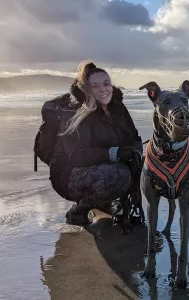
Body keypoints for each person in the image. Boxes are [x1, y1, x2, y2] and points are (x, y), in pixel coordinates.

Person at [49, 60, 143, 225]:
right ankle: (80, 210)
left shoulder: (118, 107)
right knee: (118, 174)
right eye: (96, 86)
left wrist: (134, 152)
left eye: (106, 84)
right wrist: (115, 153)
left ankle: (109, 201)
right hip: (68, 174)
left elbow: (133, 137)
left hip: (103, 167)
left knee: (135, 164)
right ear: (87, 89)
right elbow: (78, 156)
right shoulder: (74, 111)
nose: (103, 89)